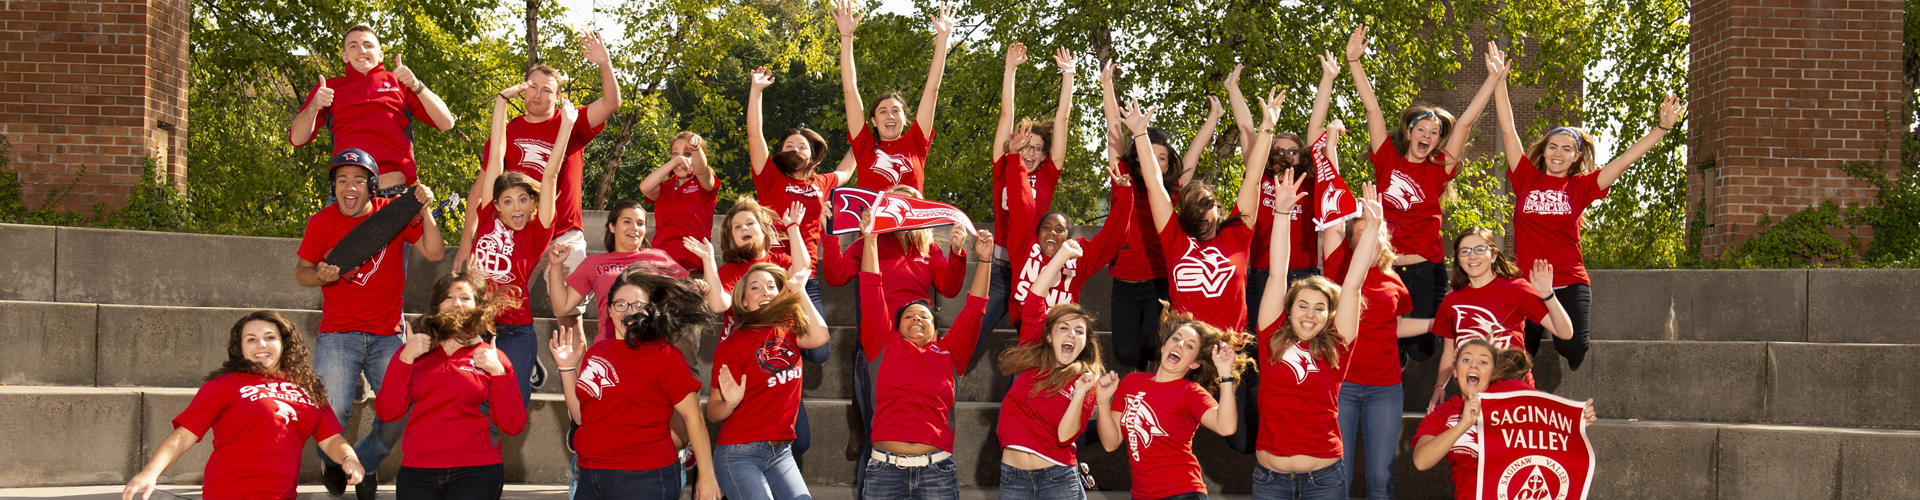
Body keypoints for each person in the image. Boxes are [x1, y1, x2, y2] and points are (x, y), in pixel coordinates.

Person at [1486, 43, 1683, 371]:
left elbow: (1623, 161)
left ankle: (1566, 341)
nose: (1558, 153)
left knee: (1574, 348)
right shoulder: (1525, 176)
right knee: (1513, 358)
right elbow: (1508, 129)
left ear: (1576, 156)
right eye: (1552, 147)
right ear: (1545, 151)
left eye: (1566, 148)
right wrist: (1499, 82)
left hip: (1569, 280)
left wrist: (1661, 129)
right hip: (1527, 282)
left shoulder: (1581, 186)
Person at [294, 148, 446, 499]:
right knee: (329, 410)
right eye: (342, 180)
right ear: (334, 186)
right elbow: (300, 273)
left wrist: (424, 210)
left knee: (403, 412)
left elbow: (435, 252)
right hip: (338, 334)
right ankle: (332, 461)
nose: (350, 187)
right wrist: (320, 276)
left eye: (359, 180)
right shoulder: (322, 222)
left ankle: (363, 462)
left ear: (371, 185)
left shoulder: (390, 216)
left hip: (388, 335)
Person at [1348, 26, 1500, 363]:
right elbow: (1373, 111)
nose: (1427, 136)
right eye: (1422, 130)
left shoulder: (1439, 170)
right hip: (1385, 269)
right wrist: (1354, 63)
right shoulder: (1387, 158)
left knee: (1423, 349)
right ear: (1410, 131)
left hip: (1424, 270)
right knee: (1385, 341)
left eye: (1434, 133)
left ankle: (1404, 352)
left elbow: (1463, 125)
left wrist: (1491, 79)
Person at [462, 33, 618, 338]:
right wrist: (468, 237)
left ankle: (575, 383)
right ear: (522, 90)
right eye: (532, 86)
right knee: (495, 309)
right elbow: (484, 184)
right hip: (518, 235)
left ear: (557, 97)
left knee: (570, 320)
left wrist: (605, 63)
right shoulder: (508, 130)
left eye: (547, 90)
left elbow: (612, 102)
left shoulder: (571, 120)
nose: (537, 94)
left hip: (563, 233)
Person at [123, 311, 363, 500]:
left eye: (270, 337)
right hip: (228, 494)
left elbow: (330, 438)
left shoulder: (308, 388)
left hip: (284, 496)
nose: (261, 344)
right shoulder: (223, 386)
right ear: (240, 347)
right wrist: (150, 472)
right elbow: (183, 436)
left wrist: (349, 458)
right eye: (251, 339)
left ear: (284, 343)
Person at [1245, 170, 1378, 500]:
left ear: (1329, 315)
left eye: (1320, 308)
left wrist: (1373, 228)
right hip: (1269, 480)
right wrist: (1281, 212)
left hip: (1324, 481)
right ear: (1288, 309)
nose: (1309, 313)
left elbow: (1352, 286)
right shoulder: (1270, 337)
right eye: (1302, 305)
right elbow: (1278, 272)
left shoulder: (1337, 347)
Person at [855, 209, 995, 500]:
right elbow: (871, 289)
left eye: (924, 316)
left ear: (936, 328)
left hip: (937, 474)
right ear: (897, 324)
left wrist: (984, 260)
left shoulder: (949, 351)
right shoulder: (882, 345)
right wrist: (870, 240)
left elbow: (975, 308)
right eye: (909, 316)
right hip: (884, 472)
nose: (916, 319)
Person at [548, 268, 723, 500]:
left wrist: (707, 477)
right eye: (621, 304)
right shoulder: (597, 351)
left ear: (651, 312)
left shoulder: (664, 355)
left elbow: (694, 418)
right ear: (609, 310)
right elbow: (582, 417)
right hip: (591, 476)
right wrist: (567, 369)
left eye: (638, 305)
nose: (629, 312)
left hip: (644, 479)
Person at [685, 231, 829, 500]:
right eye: (755, 287)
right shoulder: (732, 345)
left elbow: (820, 337)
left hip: (781, 452)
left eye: (772, 286)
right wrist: (729, 403)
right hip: (739, 454)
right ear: (743, 299)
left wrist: (798, 291)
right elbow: (713, 413)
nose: (765, 292)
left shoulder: (789, 328)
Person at [462, 88, 574, 408]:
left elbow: (550, 176)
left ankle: (526, 365)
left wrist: (565, 126)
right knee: (472, 405)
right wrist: (501, 100)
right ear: (496, 204)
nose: (516, 207)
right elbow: (497, 152)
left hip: (515, 329)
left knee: (514, 407)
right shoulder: (486, 216)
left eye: (523, 200)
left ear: (532, 203)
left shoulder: (537, 232)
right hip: (474, 323)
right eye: (508, 201)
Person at [1322, 184, 1432, 500]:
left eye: (1373, 228)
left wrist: (1435, 324)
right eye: (1358, 231)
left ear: (1382, 239)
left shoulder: (1395, 281)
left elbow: (1394, 328)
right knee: (1336, 476)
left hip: (1386, 389)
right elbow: (1330, 225)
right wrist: (1328, 148)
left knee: (1381, 480)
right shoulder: (1339, 267)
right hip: (1343, 386)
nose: (1365, 237)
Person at [377, 272, 528, 499]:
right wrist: (405, 359)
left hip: (477, 471)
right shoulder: (411, 353)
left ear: (478, 306)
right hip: (417, 471)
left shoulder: (493, 358)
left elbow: (513, 426)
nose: (456, 303)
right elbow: (388, 412)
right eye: (448, 297)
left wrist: (498, 373)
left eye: (465, 298)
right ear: (437, 305)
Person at [1412, 339, 1596, 500]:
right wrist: (1463, 425)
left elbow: (1546, 413)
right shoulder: (1443, 412)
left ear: (1493, 373)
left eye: (1483, 361)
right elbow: (1421, 461)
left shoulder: (1512, 396)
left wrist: (1574, 422)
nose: (1474, 365)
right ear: (1455, 370)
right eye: (1466, 359)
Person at [979, 42, 1077, 340]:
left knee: (1031, 345)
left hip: (1035, 271)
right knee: (970, 336)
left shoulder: (1048, 174)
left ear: (1046, 155)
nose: (1030, 153)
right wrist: (1010, 69)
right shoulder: (1004, 167)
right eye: (1024, 146)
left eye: (1037, 148)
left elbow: (1062, 119)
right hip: (999, 270)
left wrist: (1069, 76)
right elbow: (1006, 115)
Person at [1093, 310, 1247, 500]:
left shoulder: (1190, 392)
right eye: (1176, 339)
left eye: (1190, 346)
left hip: (1182, 493)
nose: (1180, 345)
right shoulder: (1131, 382)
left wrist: (1225, 373)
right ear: (1164, 346)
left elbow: (1226, 427)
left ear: (1194, 364)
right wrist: (1102, 400)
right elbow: (1110, 444)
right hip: (1141, 495)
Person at [995, 243, 1107, 500]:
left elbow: (1065, 435)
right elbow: (1034, 298)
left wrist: (1079, 392)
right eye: (1064, 328)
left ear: (1085, 342)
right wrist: (1062, 256)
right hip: (1013, 478)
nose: (1072, 334)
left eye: (1079, 331)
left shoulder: (1085, 381)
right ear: (1048, 335)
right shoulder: (1033, 352)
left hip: (1059, 480)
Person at [290, 24, 456, 194]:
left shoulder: (399, 82)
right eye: (353, 46)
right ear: (344, 56)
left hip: (396, 192)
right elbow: (297, 139)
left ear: (380, 54)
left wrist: (415, 85)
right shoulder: (329, 88)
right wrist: (314, 107)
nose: (361, 50)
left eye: (368, 45)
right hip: (349, 194)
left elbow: (446, 123)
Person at [746, 66, 858, 315]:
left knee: (818, 352)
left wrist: (865, 139)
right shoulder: (769, 177)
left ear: (812, 156)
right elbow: (755, 135)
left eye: (802, 146)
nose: (796, 149)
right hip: (770, 273)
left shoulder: (821, 182)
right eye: (789, 146)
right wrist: (756, 92)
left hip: (806, 275)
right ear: (780, 153)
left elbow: (848, 169)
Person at [1425, 228, 1576, 411]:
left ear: (1494, 255)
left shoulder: (1517, 289)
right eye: (1465, 251)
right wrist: (1439, 386)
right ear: (1458, 259)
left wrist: (1547, 294)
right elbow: (1449, 352)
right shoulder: (1450, 301)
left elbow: (1565, 333)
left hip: (1515, 394)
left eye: (1480, 249)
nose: (1472, 256)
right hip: (1473, 398)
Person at [1001, 126, 1133, 326]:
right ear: (1037, 234)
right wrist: (1013, 159)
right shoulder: (1025, 247)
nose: (1052, 232)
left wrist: (1124, 195)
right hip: (1029, 327)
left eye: (1060, 229)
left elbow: (1111, 238)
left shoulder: (1076, 258)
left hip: (1062, 329)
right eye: (1046, 227)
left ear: (1067, 239)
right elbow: (1021, 206)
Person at [832, 0, 953, 193]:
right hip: (873, 222)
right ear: (873, 120)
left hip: (912, 223)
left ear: (905, 119)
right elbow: (850, 90)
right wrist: (846, 36)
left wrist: (943, 37)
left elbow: (932, 89)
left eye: (896, 111)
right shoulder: (864, 144)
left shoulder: (915, 143)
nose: (890, 116)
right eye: (883, 111)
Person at [640, 132, 719, 272]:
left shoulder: (704, 185)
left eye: (687, 154)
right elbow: (644, 187)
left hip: (694, 269)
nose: (681, 158)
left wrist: (695, 148)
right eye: (675, 153)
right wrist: (674, 162)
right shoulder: (664, 187)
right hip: (661, 267)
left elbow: (702, 171)